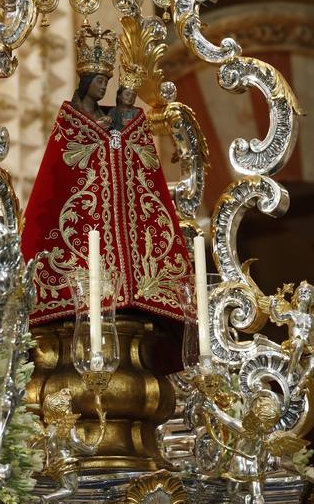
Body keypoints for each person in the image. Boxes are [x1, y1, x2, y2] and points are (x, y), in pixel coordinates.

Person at [21, 22, 192, 325]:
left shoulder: (113, 118)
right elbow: (57, 184)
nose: (104, 87)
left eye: (107, 81)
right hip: (82, 248)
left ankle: (133, 288)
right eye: (99, 80)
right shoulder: (72, 122)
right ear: (86, 81)